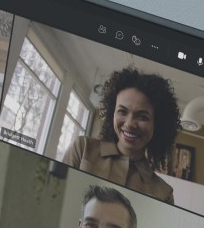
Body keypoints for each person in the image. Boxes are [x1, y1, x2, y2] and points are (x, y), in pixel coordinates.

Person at [61, 67, 180, 204]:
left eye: (142, 117)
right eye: (122, 111)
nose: (129, 124)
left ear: (157, 124)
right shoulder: (82, 149)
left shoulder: (163, 193)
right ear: (112, 112)